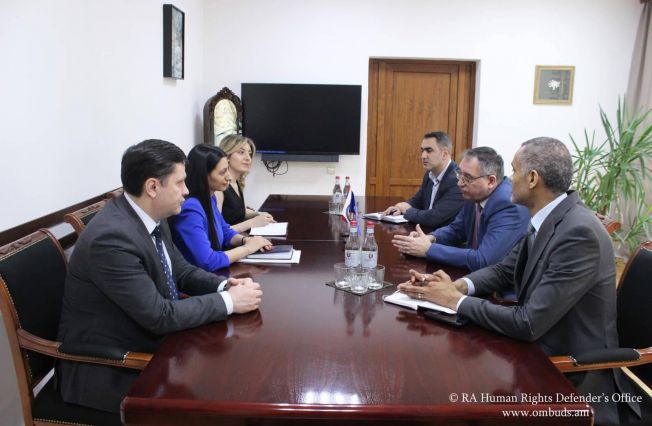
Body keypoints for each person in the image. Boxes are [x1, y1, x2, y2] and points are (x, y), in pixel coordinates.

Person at [398, 137, 636, 425]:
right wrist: (456, 286)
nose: (509, 180)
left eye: (513, 171)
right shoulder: (549, 218)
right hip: (536, 353)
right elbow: (503, 270)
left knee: (453, 398)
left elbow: (527, 323)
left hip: (571, 376)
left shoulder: (578, 233)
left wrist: (454, 301)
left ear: (533, 178)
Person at [57, 139, 263, 413]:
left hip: (151, 345)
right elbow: (159, 316)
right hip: (111, 369)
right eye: (179, 183)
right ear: (152, 187)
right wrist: (229, 302)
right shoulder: (111, 239)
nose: (187, 191)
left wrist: (225, 284)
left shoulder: (152, 214)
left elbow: (180, 270)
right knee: (224, 398)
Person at [392, 147, 529, 271]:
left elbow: (484, 260)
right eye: (460, 174)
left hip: (498, 291)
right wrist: (430, 238)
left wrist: (429, 250)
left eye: (467, 178)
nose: (459, 183)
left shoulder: (508, 205)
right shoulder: (474, 194)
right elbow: (457, 229)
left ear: (491, 181)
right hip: (473, 275)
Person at [171, 144, 272, 271]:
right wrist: (248, 248)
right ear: (204, 175)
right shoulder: (191, 209)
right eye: (223, 172)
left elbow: (225, 231)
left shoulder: (209, 198)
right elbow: (208, 261)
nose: (229, 177)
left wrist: (246, 240)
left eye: (228, 170)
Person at [383, 131, 463, 229]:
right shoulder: (430, 174)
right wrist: (400, 207)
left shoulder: (457, 180)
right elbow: (418, 201)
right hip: (426, 233)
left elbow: (433, 218)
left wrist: (407, 211)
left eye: (429, 150)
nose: (423, 156)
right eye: (422, 151)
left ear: (444, 154)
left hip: (444, 239)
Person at [216, 134, 275, 231]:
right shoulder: (218, 189)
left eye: (250, 153)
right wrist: (253, 222)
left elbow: (237, 212)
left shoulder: (236, 183)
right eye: (241, 152)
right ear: (227, 156)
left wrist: (259, 214)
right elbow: (217, 233)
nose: (248, 158)